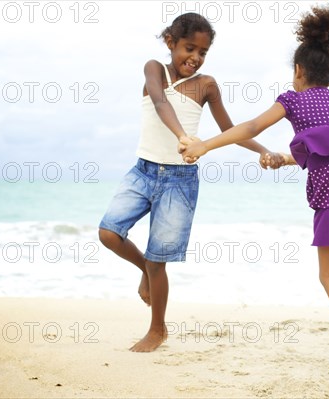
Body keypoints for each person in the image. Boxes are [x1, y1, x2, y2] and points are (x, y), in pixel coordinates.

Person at [179, 4, 329, 380]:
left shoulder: (292, 99)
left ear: (298, 71)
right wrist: (282, 158)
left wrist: (205, 146)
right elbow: (327, 151)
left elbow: (250, 126)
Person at [98, 13, 281, 353]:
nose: (194, 57)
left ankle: (157, 329)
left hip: (179, 182)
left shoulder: (207, 85)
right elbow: (159, 101)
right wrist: (183, 135)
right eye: (189, 48)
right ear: (171, 42)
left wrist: (264, 150)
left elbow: (231, 130)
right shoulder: (154, 68)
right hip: (143, 172)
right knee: (109, 233)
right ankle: (145, 270)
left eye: (202, 52)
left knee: (159, 260)